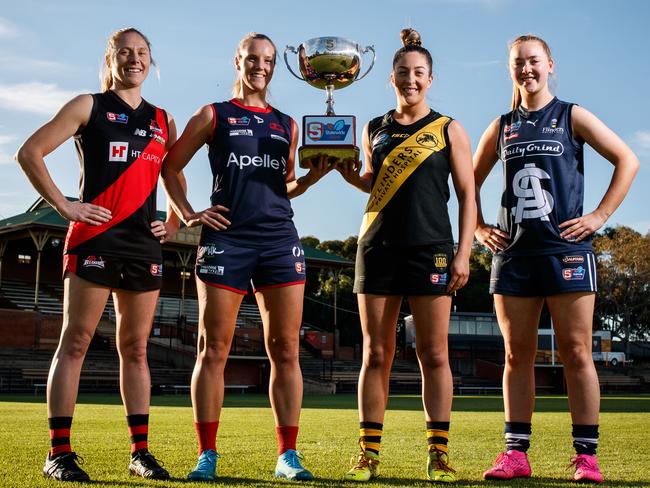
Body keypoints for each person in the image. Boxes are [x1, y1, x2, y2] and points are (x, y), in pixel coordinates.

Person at [161, 32, 331, 482]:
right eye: (253, 58)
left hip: (279, 239)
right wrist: (189, 211)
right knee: (212, 348)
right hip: (227, 240)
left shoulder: (287, 123)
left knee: (286, 350)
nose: (261, 67)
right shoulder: (213, 115)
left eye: (269, 60)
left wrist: (310, 181)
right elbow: (170, 166)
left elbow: (286, 183)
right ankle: (207, 454)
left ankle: (287, 455)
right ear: (237, 60)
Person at [15, 28, 181, 481]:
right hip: (95, 239)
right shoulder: (88, 105)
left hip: (144, 245)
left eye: (142, 52)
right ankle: (59, 454)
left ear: (152, 60)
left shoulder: (163, 120)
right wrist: (65, 206)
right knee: (77, 342)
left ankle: (140, 453)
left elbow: (175, 180)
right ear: (111, 58)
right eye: (125, 52)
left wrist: (176, 220)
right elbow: (30, 152)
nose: (135, 59)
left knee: (136, 350)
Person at [474, 34, 639, 484]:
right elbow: (466, 182)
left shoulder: (571, 115)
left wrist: (600, 216)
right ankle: (515, 455)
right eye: (517, 63)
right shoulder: (502, 125)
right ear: (510, 70)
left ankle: (587, 458)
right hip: (514, 257)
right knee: (515, 355)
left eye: (533, 61)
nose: (526, 69)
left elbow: (627, 159)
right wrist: (477, 227)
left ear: (550, 64)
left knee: (577, 352)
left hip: (566, 251)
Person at [337, 28, 476, 483]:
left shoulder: (449, 128)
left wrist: (462, 253)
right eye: (402, 73)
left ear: (431, 79)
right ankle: (368, 456)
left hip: (431, 250)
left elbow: (467, 195)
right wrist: (341, 168)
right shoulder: (373, 127)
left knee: (434, 354)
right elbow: (371, 180)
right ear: (391, 79)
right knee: (376, 354)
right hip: (376, 246)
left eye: (418, 73)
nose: (410, 80)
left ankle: (438, 455)